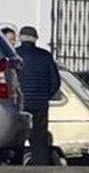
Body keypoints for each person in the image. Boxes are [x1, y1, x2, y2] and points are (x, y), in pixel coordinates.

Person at [13, 25, 61, 164]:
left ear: (20, 38)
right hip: (40, 103)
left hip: (20, 103)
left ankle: (15, 162)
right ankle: (41, 164)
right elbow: (55, 81)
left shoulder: (14, 55)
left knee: (18, 136)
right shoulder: (45, 56)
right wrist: (46, 95)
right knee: (39, 137)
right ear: (35, 39)